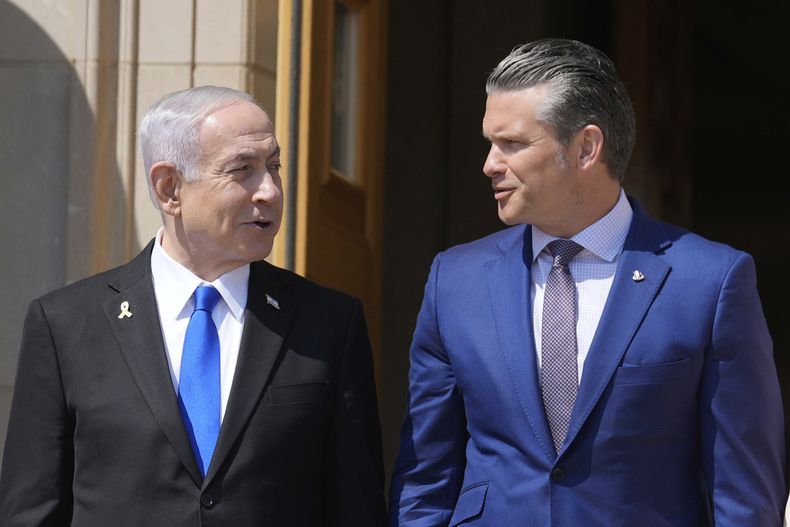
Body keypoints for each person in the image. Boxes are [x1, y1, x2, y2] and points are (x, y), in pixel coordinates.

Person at [389, 39, 785, 526]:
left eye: (511, 144)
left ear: (586, 148)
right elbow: (425, 478)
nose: (489, 163)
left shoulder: (709, 281)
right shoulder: (454, 281)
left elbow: (743, 494)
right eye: (490, 143)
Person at [0, 86, 386, 526]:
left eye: (273, 167)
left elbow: (358, 508)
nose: (270, 192)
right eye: (242, 170)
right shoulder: (66, 324)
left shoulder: (328, 323)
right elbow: (30, 511)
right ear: (170, 189)